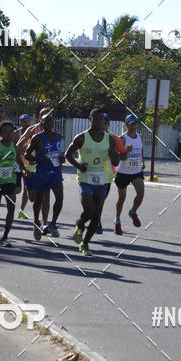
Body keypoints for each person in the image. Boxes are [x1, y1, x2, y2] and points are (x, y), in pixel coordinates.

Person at [65, 108, 120, 256]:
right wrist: (78, 166)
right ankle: (80, 223)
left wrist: (113, 156)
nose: (98, 122)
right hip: (85, 179)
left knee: (97, 216)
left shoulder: (109, 139)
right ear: (90, 120)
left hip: (102, 180)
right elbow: (68, 154)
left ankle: (85, 244)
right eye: (95, 119)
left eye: (100, 119)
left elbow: (116, 159)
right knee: (89, 210)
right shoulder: (81, 137)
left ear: (103, 121)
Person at [26, 109, 64, 239]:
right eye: (45, 121)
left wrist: (62, 158)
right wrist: (38, 159)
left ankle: (52, 223)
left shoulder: (58, 136)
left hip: (56, 173)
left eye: (51, 121)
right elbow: (27, 154)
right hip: (42, 174)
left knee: (60, 198)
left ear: (53, 123)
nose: (49, 124)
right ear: (41, 123)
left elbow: (60, 152)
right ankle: (36, 222)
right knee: (39, 201)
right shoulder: (37, 138)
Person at [114, 114, 145, 235]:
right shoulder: (122, 139)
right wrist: (126, 150)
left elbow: (141, 150)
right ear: (126, 125)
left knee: (141, 193)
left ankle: (133, 211)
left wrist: (143, 161)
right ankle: (117, 220)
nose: (134, 126)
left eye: (135, 124)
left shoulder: (140, 137)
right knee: (122, 198)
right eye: (131, 124)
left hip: (136, 171)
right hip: (123, 172)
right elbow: (116, 156)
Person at [98, 114, 126, 234]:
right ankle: (94, 221)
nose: (101, 126)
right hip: (90, 174)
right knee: (91, 201)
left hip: (107, 175)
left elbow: (124, 155)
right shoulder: (88, 137)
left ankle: (96, 221)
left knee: (100, 200)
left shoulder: (114, 138)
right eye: (99, 122)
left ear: (108, 124)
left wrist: (114, 156)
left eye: (104, 123)